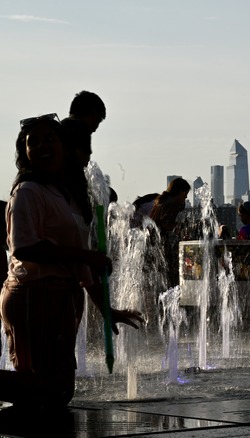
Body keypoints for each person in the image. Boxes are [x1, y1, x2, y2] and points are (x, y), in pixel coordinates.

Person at [0, 114, 142, 410]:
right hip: (33, 295)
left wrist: (105, 308)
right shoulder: (27, 192)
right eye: (32, 142)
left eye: (49, 139)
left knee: (59, 392)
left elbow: (79, 267)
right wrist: (86, 256)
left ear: (63, 147)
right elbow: (24, 248)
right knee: (48, 388)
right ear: (24, 153)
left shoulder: (64, 195)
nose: (41, 147)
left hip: (62, 298)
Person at [150, 178, 191, 288]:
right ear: (181, 192)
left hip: (152, 243)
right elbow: (166, 224)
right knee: (170, 275)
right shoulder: (172, 203)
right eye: (186, 194)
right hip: (160, 244)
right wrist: (181, 229)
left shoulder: (161, 201)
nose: (186, 197)